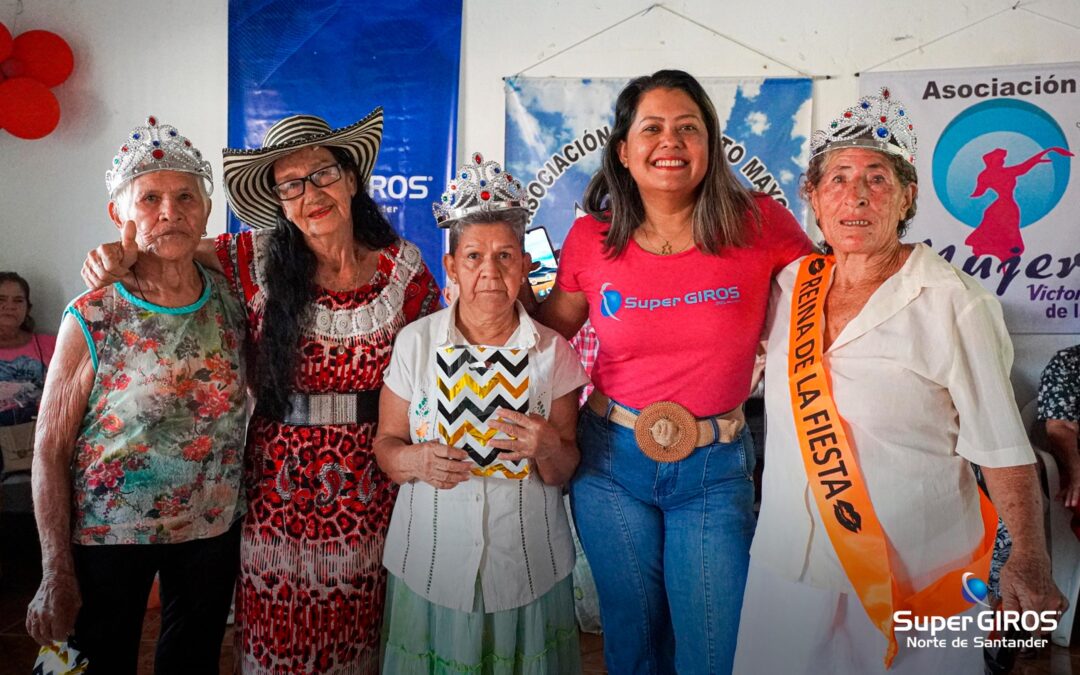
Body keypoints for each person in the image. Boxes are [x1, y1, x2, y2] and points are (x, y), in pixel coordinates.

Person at [83, 108, 441, 674]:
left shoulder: (404, 270)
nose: (310, 194)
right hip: (276, 481)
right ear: (278, 200)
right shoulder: (251, 259)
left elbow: (437, 362)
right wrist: (118, 253)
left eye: (322, 174)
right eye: (290, 185)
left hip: (371, 479)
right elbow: (169, 243)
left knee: (360, 622)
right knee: (280, 627)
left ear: (350, 178)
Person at [734, 89, 1066, 674]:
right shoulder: (789, 288)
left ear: (908, 195)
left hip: (918, 580)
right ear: (812, 198)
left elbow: (1003, 450)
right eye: (837, 178)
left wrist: (1029, 565)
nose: (856, 194)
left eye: (877, 178)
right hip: (790, 571)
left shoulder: (953, 302)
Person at [524, 69, 813, 675]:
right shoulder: (589, 238)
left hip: (714, 468)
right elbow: (545, 338)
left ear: (710, 144)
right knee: (633, 647)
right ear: (624, 151)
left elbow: (833, 302)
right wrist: (493, 282)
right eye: (651, 128)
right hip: (610, 466)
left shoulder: (761, 224)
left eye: (689, 128)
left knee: (716, 648)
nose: (670, 141)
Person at [26, 116, 248, 674]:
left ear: (205, 208)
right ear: (117, 215)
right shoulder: (92, 312)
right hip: (108, 534)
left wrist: (187, 249)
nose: (170, 211)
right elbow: (49, 448)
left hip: (211, 526)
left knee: (193, 663)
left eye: (185, 197)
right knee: (99, 660)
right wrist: (56, 568)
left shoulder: (232, 296)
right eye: (149, 199)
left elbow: (286, 242)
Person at [374, 152, 588, 673]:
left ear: (525, 265)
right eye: (473, 257)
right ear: (451, 266)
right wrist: (417, 462)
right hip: (431, 559)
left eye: (505, 256)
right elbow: (386, 446)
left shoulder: (554, 351)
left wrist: (548, 447)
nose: (488, 272)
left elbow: (566, 468)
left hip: (527, 562)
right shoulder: (415, 343)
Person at [0, 272, 56, 474]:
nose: (9, 306)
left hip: (39, 443)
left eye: (18, 300)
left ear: (28, 308)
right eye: (1, 299)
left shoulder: (50, 345)